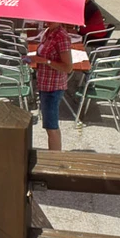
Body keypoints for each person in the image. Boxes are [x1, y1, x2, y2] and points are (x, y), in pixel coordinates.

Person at [30, 21, 74, 151]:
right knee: (49, 126)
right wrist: (32, 59)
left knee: (51, 127)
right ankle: (55, 155)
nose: (46, 21)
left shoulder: (61, 36)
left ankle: (55, 158)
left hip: (53, 87)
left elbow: (68, 67)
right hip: (44, 85)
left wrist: (45, 61)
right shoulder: (47, 32)